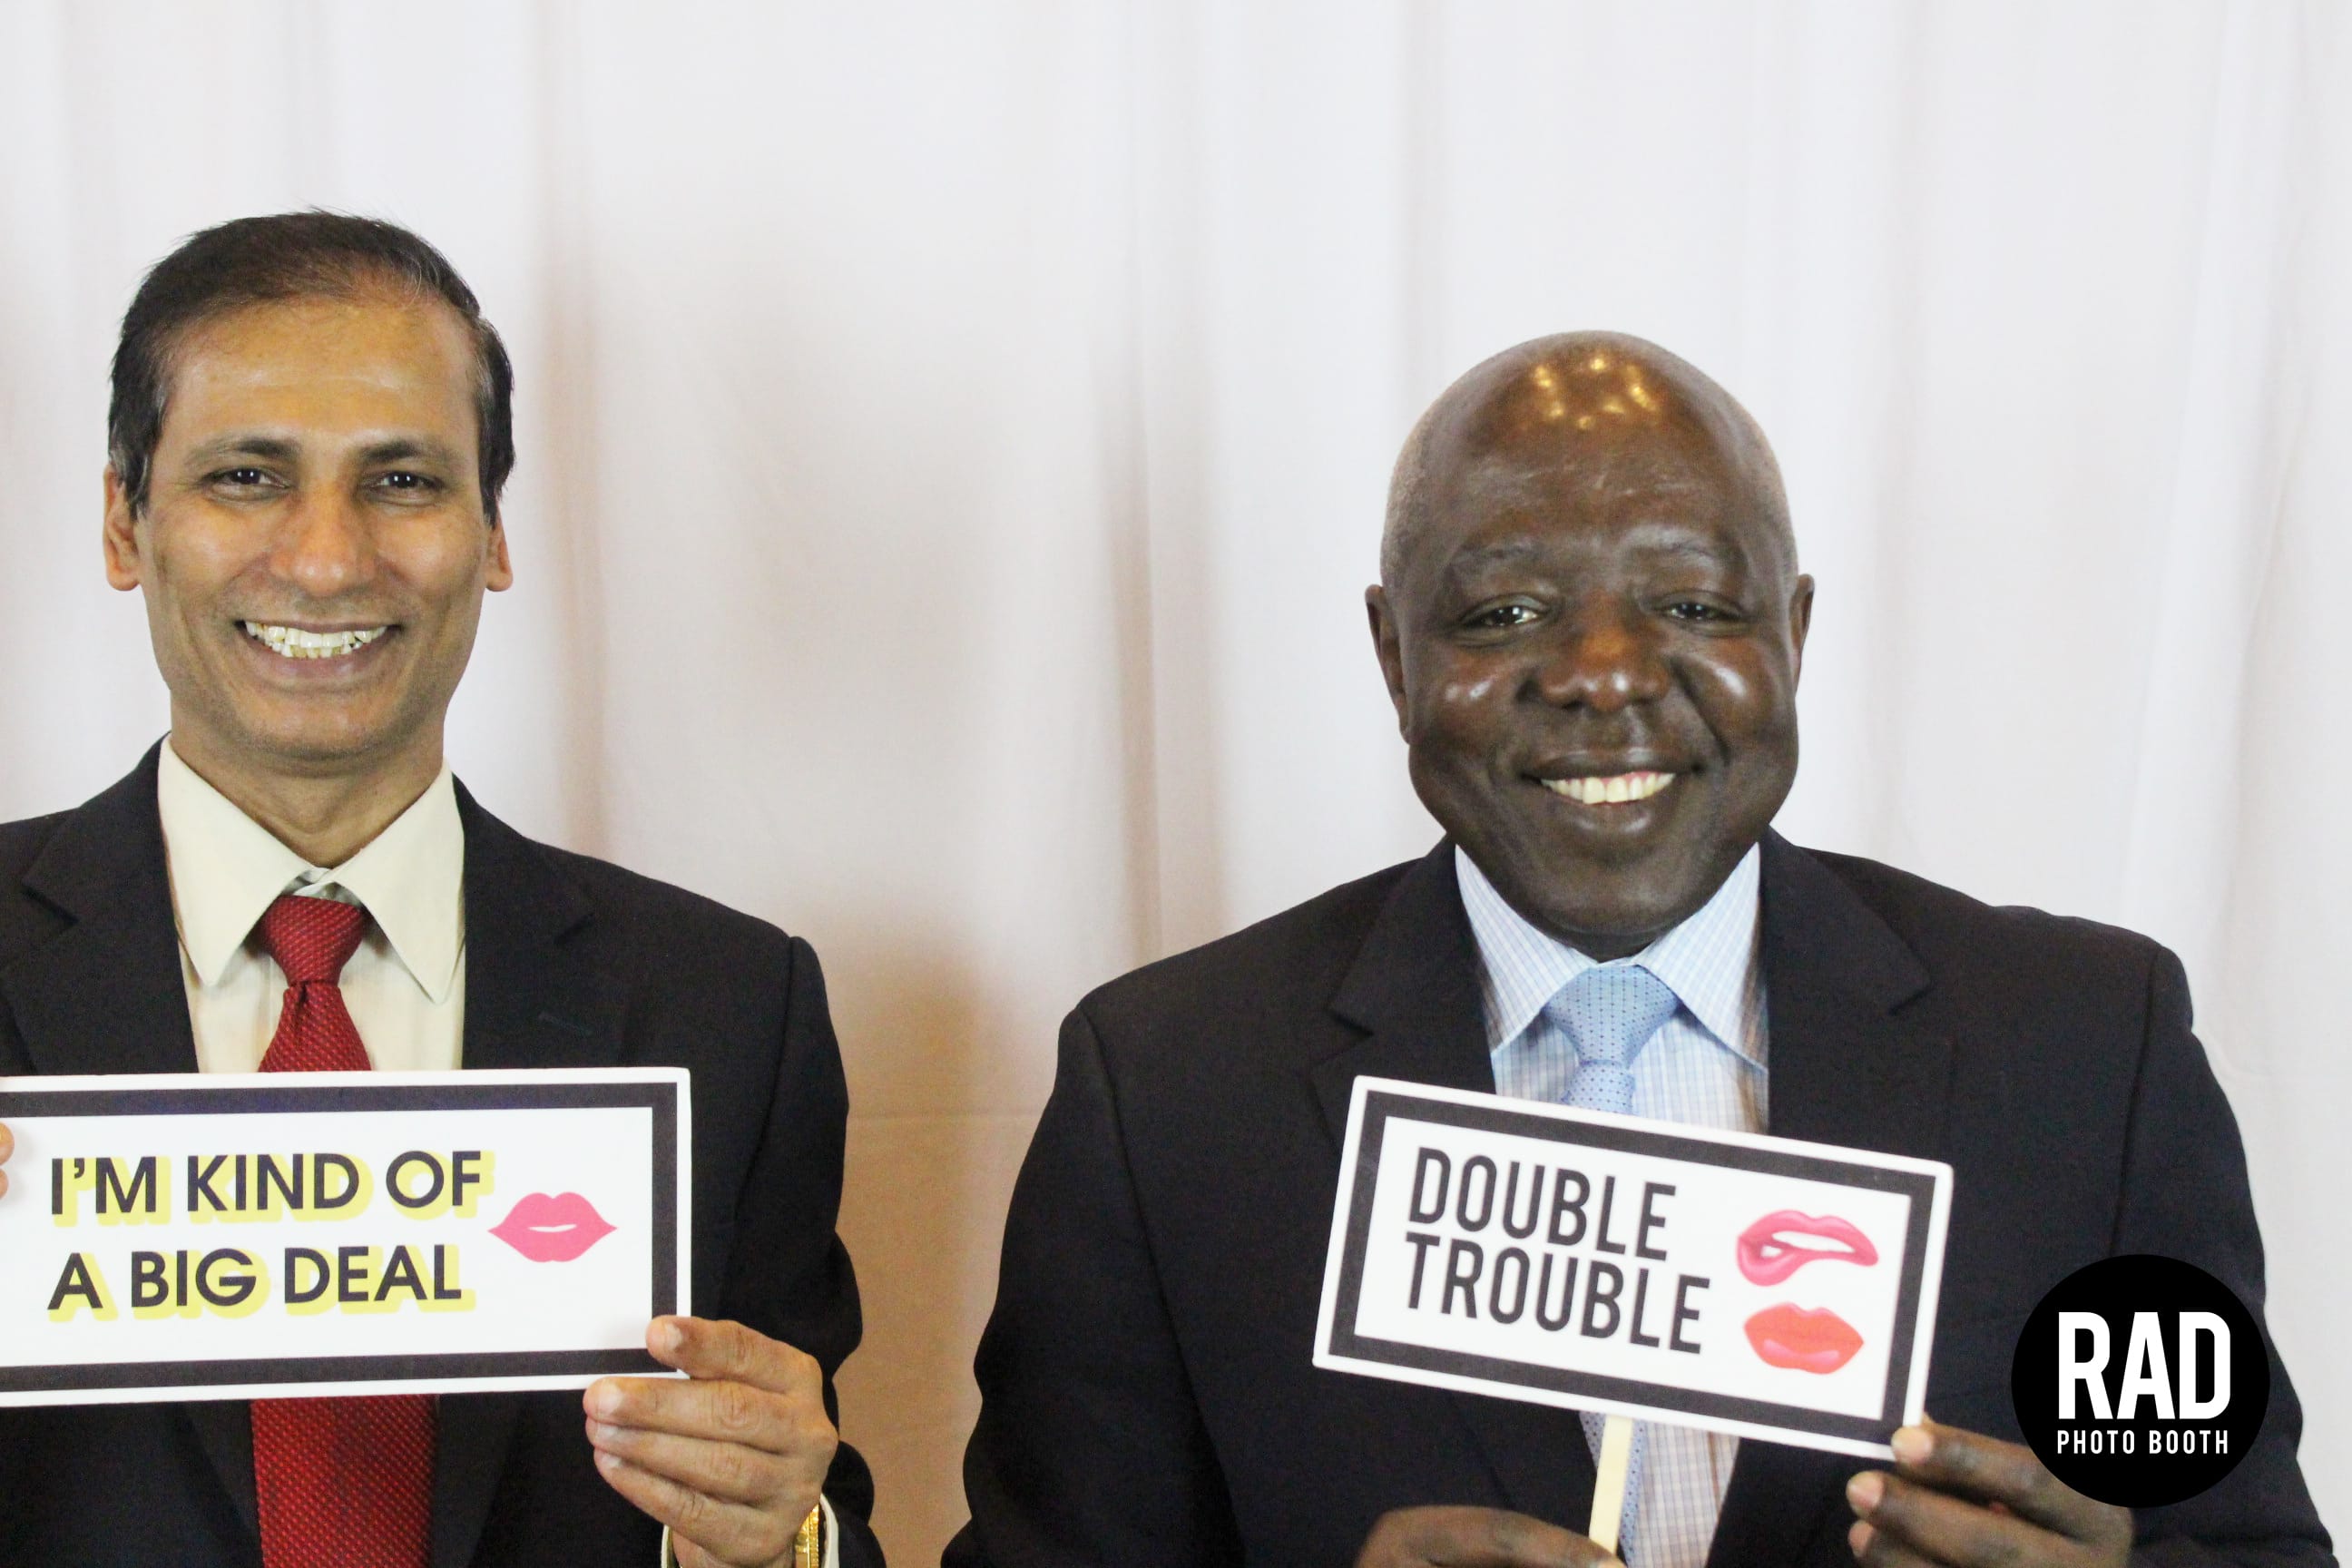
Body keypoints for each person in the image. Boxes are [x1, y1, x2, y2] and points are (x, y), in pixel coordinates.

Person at [943, 333, 2332, 1568]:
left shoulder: (2088, 1054)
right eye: (1503, 614)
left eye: (1695, 605)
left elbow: (2241, 1542)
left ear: (1793, 635)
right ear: (1393, 658)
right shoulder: (1167, 1094)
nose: (1603, 672)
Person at [0, 212, 879, 1568]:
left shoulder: (729, 1008)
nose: (327, 559)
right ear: (125, 523)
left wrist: (785, 1540)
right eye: (246, 476)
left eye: (402, 480)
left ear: (493, 533)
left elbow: (806, 1505)